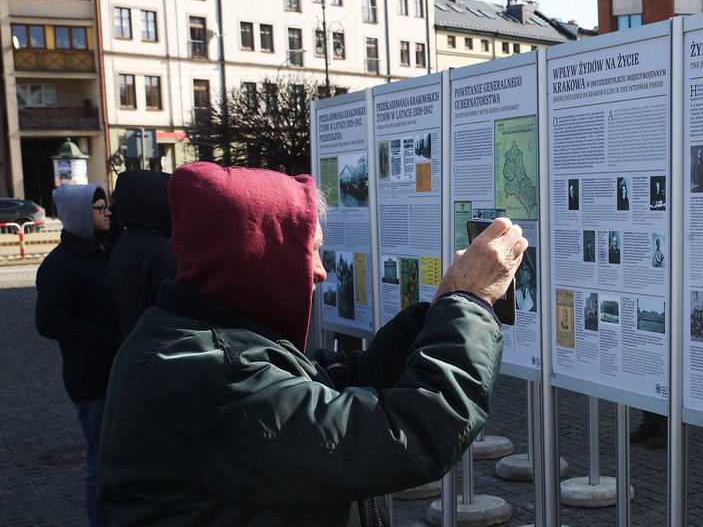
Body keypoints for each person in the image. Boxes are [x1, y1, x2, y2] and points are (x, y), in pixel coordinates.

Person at [98, 163, 524, 525]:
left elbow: (337, 383)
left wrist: (438, 313)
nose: (321, 271)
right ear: (256, 253)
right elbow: (411, 433)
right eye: (311, 250)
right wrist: (470, 303)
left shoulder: (202, 337)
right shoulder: (213, 375)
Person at [36, 183, 117, 527]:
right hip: (91, 377)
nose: (108, 212)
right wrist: (106, 338)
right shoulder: (59, 264)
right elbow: (50, 321)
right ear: (82, 215)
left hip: (116, 369)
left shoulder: (107, 250)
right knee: (99, 463)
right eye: (100, 208)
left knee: (117, 458)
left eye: (107, 206)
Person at [107, 170, 177, 338]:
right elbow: (175, 309)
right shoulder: (161, 249)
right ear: (157, 201)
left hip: (133, 345)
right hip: (160, 347)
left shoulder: (124, 242)